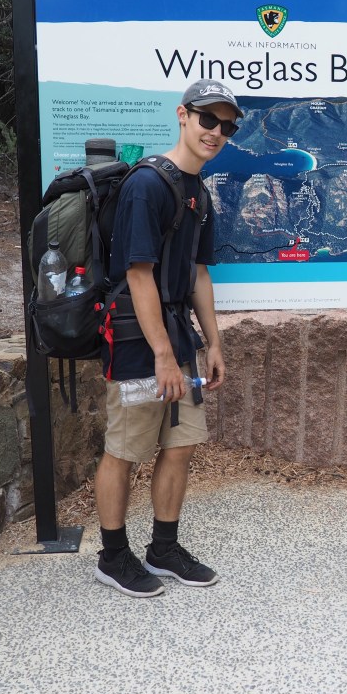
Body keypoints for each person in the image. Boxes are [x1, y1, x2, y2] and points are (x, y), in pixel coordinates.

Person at [93, 79, 242, 598]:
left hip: (179, 337)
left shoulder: (199, 192)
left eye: (227, 126)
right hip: (139, 338)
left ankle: (163, 548)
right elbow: (138, 275)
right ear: (183, 115)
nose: (216, 133)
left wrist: (213, 344)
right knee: (126, 448)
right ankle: (113, 556)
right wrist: (161, 356)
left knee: (180, 446)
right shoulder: (147, 186)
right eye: (208, 120)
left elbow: (199, 272)